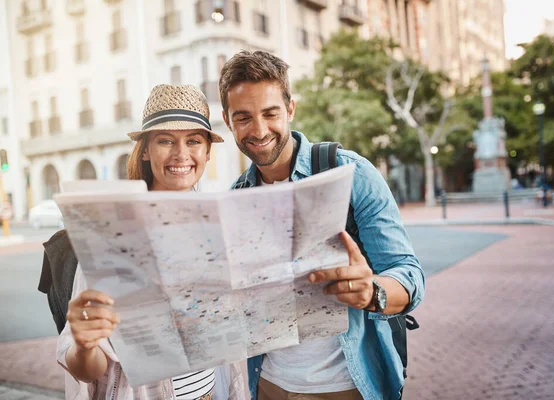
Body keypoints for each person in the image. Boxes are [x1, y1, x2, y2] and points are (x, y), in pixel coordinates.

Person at [219, 51, 426, 400]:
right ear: (227, 121)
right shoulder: (236, 196)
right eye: (243, 118)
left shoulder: (351, 173)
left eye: (270, 113)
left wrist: (372, 291)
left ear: (290, 110)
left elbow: (409, 273)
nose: (258, 130)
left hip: (348, 386)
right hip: (268, 384)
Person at [55, 84, 245, 400]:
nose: (181, 154)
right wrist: (85, 343)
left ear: (207, 152)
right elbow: (87, 370)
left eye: (194, 141)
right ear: (145, 150)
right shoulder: (112, 234)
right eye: (165, 141)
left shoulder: (216, 227)